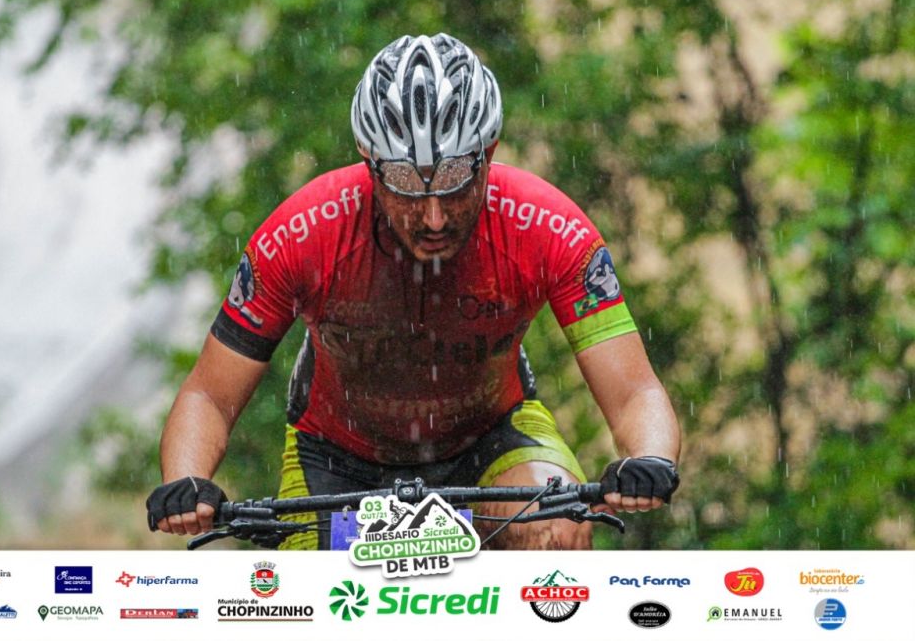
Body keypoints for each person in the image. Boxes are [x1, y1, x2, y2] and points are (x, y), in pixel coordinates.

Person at [146, 33, 681, 549]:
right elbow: (208, 395)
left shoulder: (548, 228)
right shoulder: (303, 234)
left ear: (489, 153)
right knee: (306, 595)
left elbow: (635, 391)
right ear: (369, 162)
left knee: (555, 528)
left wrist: (649, 458)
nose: (433, 217)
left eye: (455, 183)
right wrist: (187, 480)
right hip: (336, 457)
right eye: (405, 186)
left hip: (491, 441)